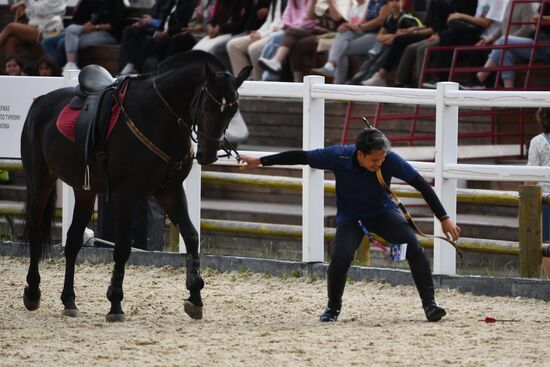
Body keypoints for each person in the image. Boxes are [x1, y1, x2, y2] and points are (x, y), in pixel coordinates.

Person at [238, 127, 461, 322]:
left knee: (413, 247)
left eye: (382, 159)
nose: (380, 163)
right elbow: (302, 156)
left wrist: (444, 218)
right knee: (340, 257)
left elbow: (421, 184)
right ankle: (333, 308)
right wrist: (260, 161)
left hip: (382, 212)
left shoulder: (390, 159)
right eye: (375, 160)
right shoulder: (339, 156)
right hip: (351, 217)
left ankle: (430, 305)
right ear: (360, 154)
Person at [393, 0, 477, 88]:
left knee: (422, 49)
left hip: (449, 36)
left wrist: (416, 33)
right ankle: (400, 82)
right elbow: (429, 25)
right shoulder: (434, 3)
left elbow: (440, 27)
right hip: (441, 34)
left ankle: (422, 84)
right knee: (410, 48)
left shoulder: (444, 4)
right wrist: (412, 30)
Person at [476, 2, 549, 89]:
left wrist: (542, 19)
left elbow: (528, 28)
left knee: (503, 41)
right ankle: (508, 90)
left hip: (543, 44)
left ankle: (480, 77)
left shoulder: (527, 4)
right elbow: (503, 25)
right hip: (537, 40)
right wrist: (489, 40)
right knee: (505, 51)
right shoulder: (511, 3)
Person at [360, 0, 422, 86]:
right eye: (391, 1)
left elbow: (397, 40)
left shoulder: (406, 19)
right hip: (388, 46)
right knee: (372, 55)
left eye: (397, 1)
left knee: (383, 52)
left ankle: (374, 80)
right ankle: (358, 81)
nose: (394, 3)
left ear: (402, 3)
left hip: (401, 49)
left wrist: (387, 37)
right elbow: (378, 37)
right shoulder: (389, 18)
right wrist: (392, 36)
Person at [227, 0, 288, 80]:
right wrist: (259, 32)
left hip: (277, 35)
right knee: (233, 45)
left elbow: (282, 26)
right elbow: (269, 22)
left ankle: (258, 83)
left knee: (254, 49)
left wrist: (262, 35)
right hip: (266, 32)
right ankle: (243, 82)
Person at [60, 0, 127, 72]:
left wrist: (95, 27)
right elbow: (78, 19)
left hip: (109, 34)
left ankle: (70, 67)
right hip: (88, 32)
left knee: (66, 43)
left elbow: (115, 25)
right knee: (66, 37)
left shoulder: (115, 2)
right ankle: (70, 65)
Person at [310, 0, 368, 80]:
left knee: (339, 49)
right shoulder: (354, 7)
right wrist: (347, 26)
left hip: (367, 35)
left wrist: (347, 25)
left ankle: (331, 67)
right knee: (341, 43)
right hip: (353, 35)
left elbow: (361, 26)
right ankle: (336, 80)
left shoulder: (368, 5)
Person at [118, 0, 179, 74]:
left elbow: (169, 23)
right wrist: (144, 21)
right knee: (129, 30)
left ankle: (133, 67)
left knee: (148, 41)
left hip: (165, 32)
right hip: (152, 29)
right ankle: (125, 68)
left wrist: (151, 21)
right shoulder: (159, 3)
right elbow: (154, 17)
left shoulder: (174, 3)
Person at [527, 107, 550, 278]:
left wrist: (524, 201)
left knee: (546, 242)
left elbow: (531, 176)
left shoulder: (537, 142)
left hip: (545, 197)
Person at [0, 0, 65, 55]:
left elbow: (40, 10)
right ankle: (10, 66)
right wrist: (25, 3)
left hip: (47, 31)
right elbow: (30, 14)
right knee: (11, 40)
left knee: (11, 27)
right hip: (35, 28)